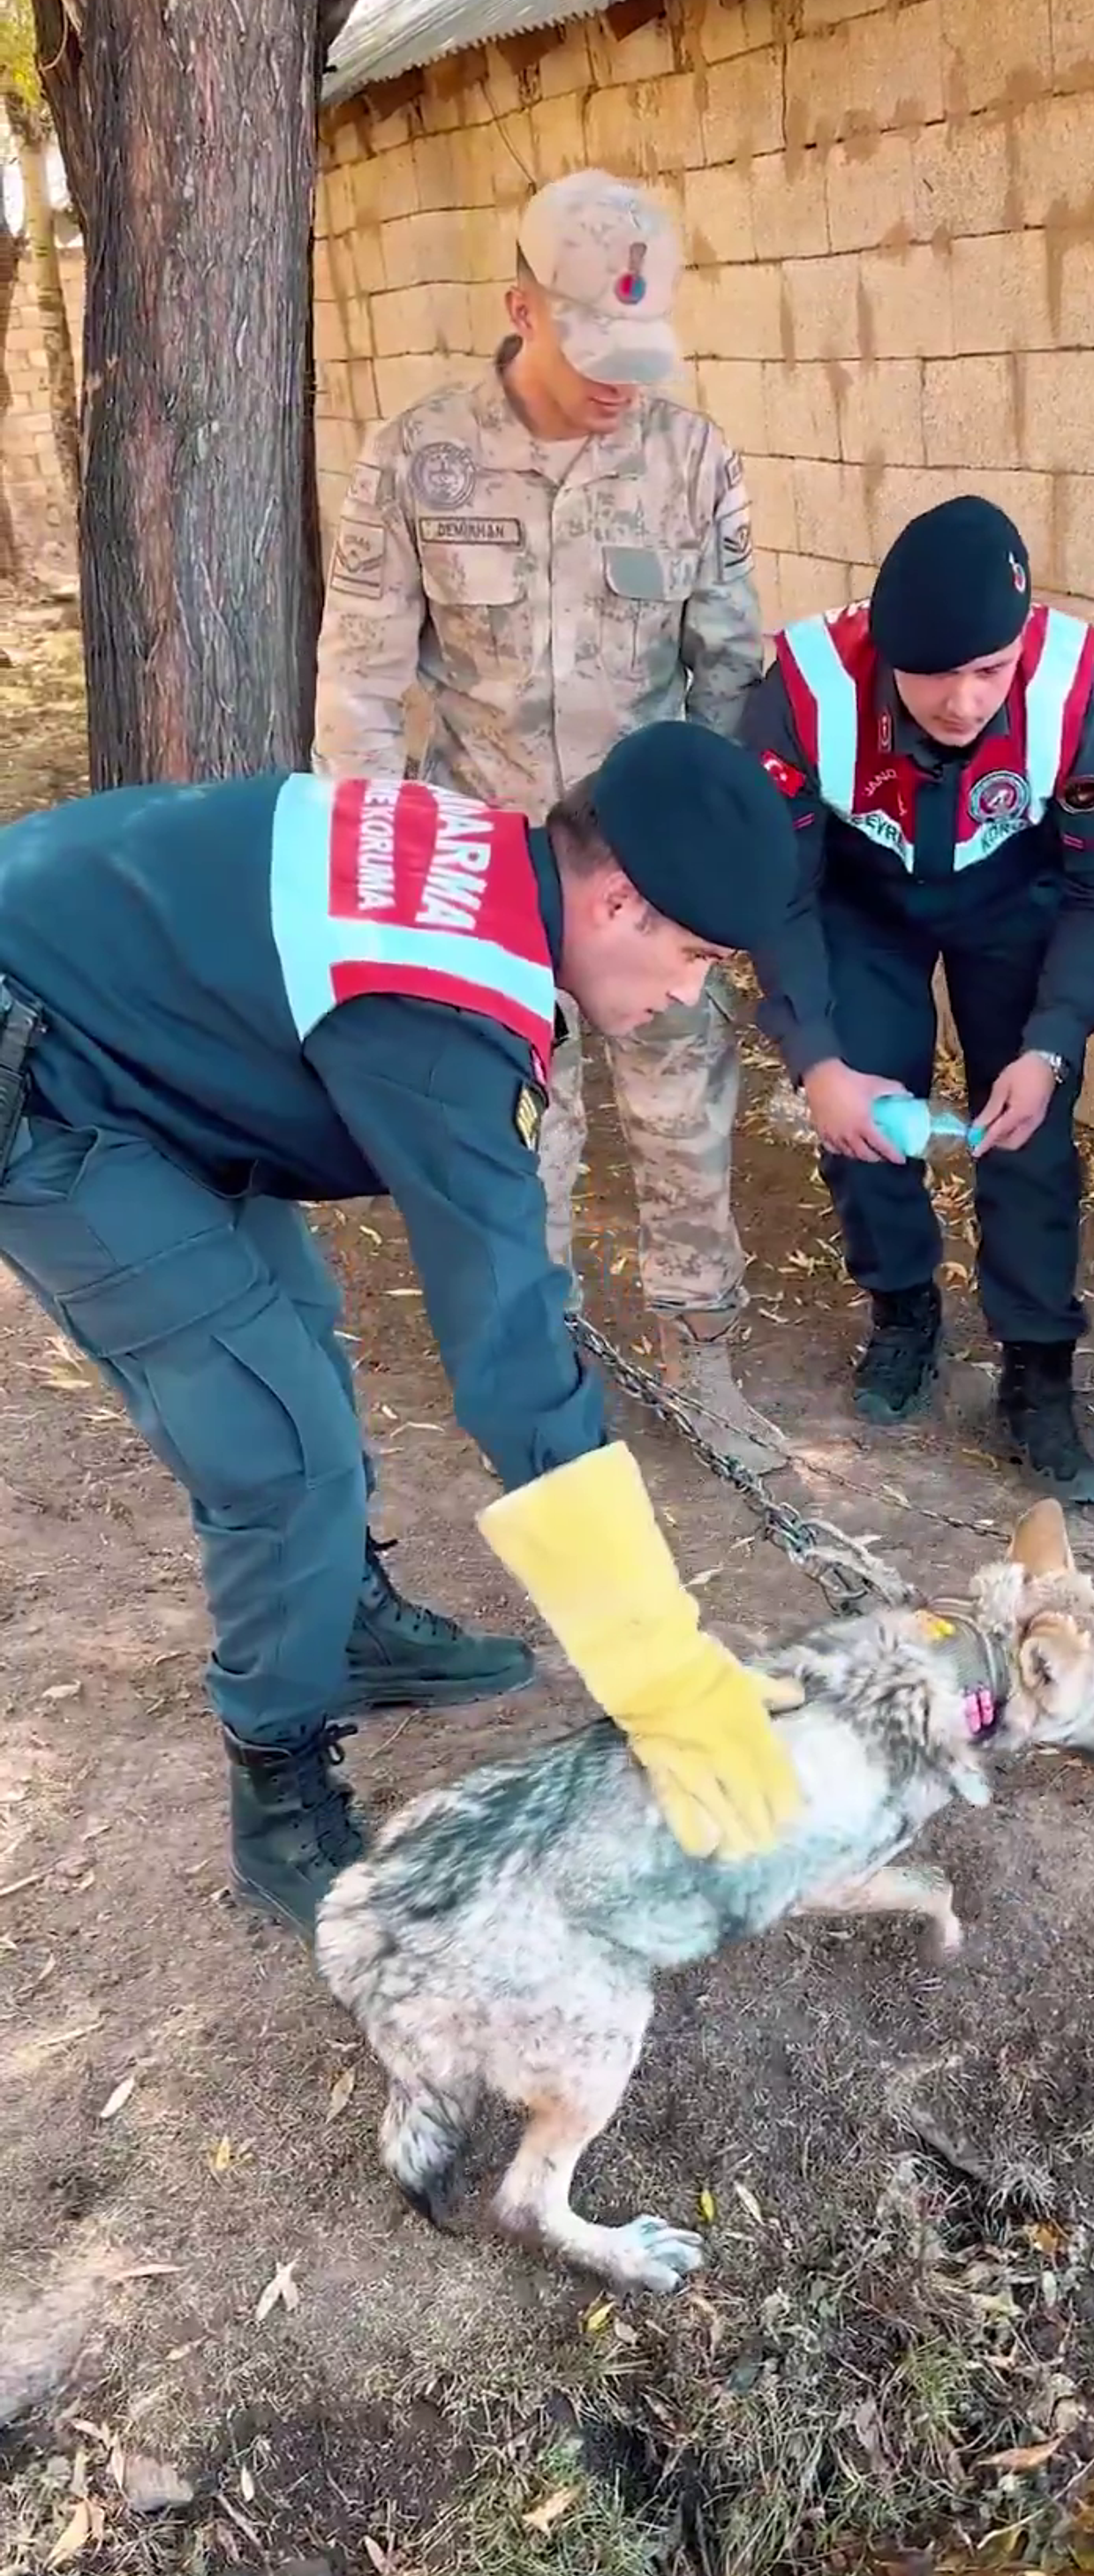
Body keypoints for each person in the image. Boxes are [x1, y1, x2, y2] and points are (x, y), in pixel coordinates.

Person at [0, 725, 807, 1939]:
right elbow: (509, 1356)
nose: (690, 992)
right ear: (619, 896)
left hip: (138, 1038)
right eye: (692, 955)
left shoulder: (497, 874)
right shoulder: (442, 1007)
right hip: (46, 1073)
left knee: (301, 1327)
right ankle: (274, 1783)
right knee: (275, 1442)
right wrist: (663, 1670)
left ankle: (342, 1620)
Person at [313, 167, 784, 1476]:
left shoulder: (696, 463)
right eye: (592, 350)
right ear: (521, 305)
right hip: (488, 866)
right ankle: (550, 1370)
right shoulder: (418, 457)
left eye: (642, 351)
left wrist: (733, 876)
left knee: (686, 1116)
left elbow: (730, 680)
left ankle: (703, 1361)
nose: (619, 381)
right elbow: (359, 680)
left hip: (651, 884)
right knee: (521, 1132)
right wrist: (369, 868)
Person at [744, 495, 1094, 1506]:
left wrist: (1051, 1044)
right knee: (868, 1116)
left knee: (1030, 1135)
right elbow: (776, 892)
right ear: (885, 648)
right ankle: (903, 1307)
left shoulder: (1071, 694)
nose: (964, 703)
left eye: (988, 673)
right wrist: (815, 1062)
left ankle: (1038, 1366)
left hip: (1014, 896)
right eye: (934, 675)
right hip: (861, 896)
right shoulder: (801, 692)